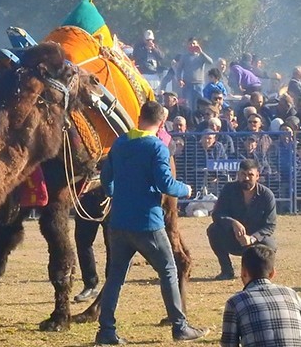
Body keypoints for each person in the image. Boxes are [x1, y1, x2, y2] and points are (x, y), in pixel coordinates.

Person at [95, 101, 207, 344]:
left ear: (139, 117)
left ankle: (106, 330)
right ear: (161, 123)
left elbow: (106, 178)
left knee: (115, 276)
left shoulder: (121, 142)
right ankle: (180, 326)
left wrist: (115, 194)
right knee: (168, 270)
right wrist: (185, 189)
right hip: (148, 223)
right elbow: (166, 184)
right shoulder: (157, 147)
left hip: (119, 222)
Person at [207, 159, 276, 280]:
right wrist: (232, 222)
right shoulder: (228, 189)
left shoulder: (267, 195)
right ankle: (227, 271)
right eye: (243, 174)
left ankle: (261, 274)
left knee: (270, 244)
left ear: (257, 176)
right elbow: (217, 214)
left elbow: (270, 225)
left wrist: (253, 238)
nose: (247, 178)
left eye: (250, 175)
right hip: (233, 239)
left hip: (254, 242)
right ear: (238, 175)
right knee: (213, 230)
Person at [220, 244, 301, 346]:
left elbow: (228, 344)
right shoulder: (292, 295)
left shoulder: (235, 302)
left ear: (244, 272)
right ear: (272, 273)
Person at [73, 188, 110, 303]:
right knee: (83, 242)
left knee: (112, 245)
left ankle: (110, 287)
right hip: (87, 199)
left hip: (110, 199)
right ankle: (90, 284)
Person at [177, 37, 213, 110]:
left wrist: (201, 52)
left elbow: (210, 62)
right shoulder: (184, 57)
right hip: (187, 84)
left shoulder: (201, 56)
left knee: (199, 104)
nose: (192, 45)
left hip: (199, 84)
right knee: (187, 105)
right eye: (190, 44)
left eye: (194, 43)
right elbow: (179, 69)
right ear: (188, 45)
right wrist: (179, 79)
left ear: (197, 45)